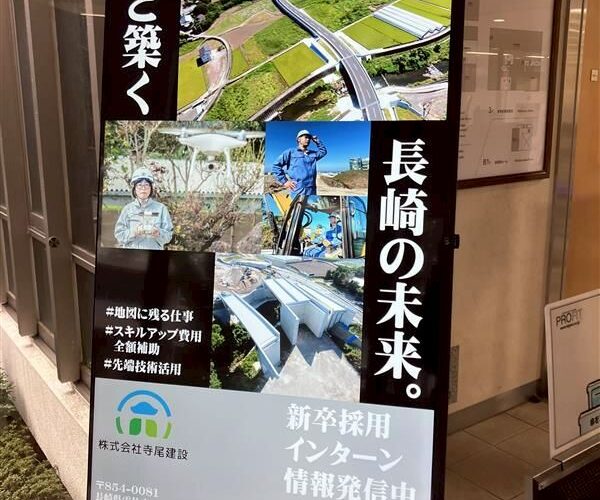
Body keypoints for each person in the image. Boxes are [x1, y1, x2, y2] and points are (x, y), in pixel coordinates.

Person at [114, 167, 173, 250]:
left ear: (151, 188)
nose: (143, 188)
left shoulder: (161, 209)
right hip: (132, 255)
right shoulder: (127, 209)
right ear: (134, 189)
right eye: (139, 185)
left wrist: (158, 233)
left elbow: (168, 236)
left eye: (146, 185)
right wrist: (133, 232)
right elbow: (119, 235)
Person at [272, 129, 327, 196]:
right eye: (306, 137)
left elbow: (323, 152)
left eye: (309, 138)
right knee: (297, 203)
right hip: (298, 188)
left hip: (312, 189)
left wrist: (317, 141)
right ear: (299, 139)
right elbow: (276, 166)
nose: (308, 139)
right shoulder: (290, 152)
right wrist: (285, 181)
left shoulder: (312, 154)